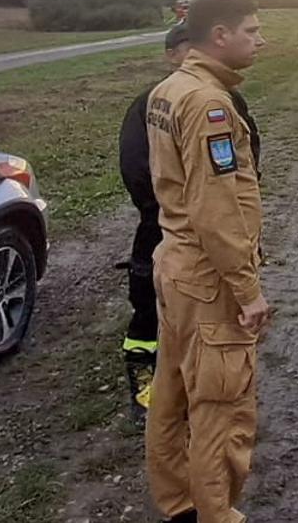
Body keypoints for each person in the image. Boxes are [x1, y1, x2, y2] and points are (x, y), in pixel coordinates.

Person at [144, 0, 271, 523]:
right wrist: (248, 290)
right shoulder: (210, 104)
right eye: (252, 31)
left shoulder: (169, 89)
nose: (260, 40)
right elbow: (215, 209)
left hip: (174, 266)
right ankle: (215, 513)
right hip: (207, 277)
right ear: (219, 35)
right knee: (220, 406)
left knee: (170, 392)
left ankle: (178, 503)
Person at [115, 25, 194, 423]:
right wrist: (164, 211)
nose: (192, 56)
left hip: (210, 230)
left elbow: (248, 160)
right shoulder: (149, 103)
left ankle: (194, 380)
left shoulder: (223, 99)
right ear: (170, 56)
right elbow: (134, 166)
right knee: (148, 298)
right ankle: (142, 373)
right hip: (161, 223)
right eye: (184, 49)